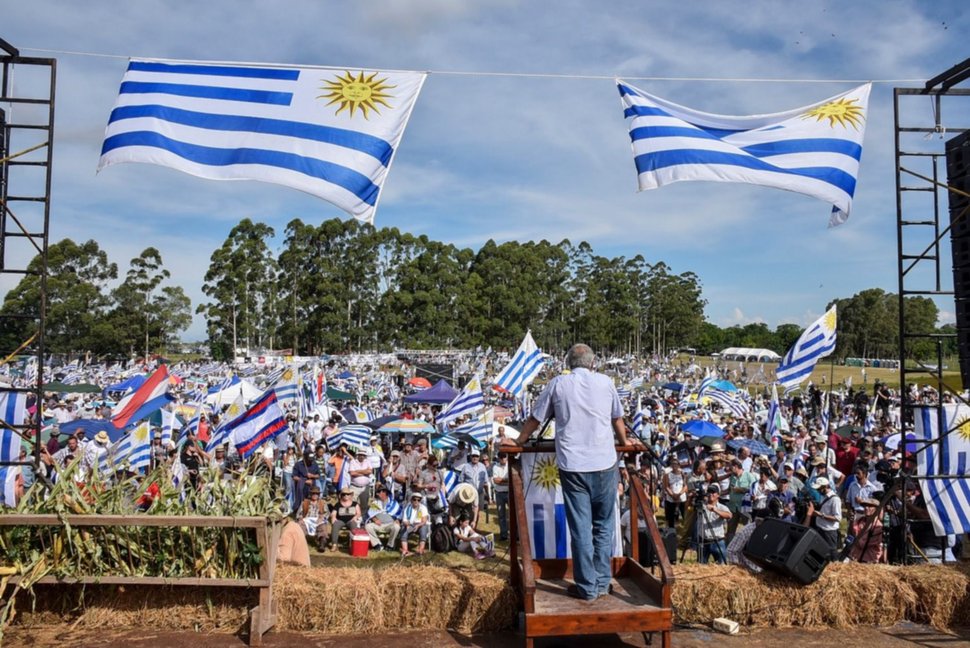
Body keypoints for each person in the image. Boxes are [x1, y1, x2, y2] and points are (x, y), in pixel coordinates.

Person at [503, 343, 641, 601]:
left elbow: (535, 418)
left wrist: (520, 441)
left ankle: (587, 587)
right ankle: (601, 583)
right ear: (592, 363)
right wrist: (624, 442)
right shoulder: (606, 382)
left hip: (574, 465)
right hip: (605, 462)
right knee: (602, 526)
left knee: (581, 529)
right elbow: (617, 420)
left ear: (568, 364)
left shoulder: (558, 384)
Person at [697, 484, 731, 564]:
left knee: (722, 565)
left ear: (718, 495)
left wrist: (715, 509)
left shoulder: (722, 507)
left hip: (718, 541)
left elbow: (729, 515)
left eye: (713, 492)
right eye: (709, 492)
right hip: (703, 540)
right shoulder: (702, 505)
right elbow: (688, 508)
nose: (711, 494)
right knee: (701, 566)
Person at [809, 476, 842, 556]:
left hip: (829, 532)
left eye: (819, 489)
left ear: (826, 486)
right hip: (820, 528)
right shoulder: (823, 497)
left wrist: (821, 515)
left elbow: (838, 518)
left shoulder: (835, 499)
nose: (818, 491)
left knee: (831, 552)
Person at [364, 485, 401, 552]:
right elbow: (370, 514)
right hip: (379, 524)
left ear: (385, 492)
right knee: (368, 526)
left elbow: (398, 514)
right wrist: (375, 519)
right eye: (378, 492)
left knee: (397, 527)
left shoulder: (393, 503)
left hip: (390, 524)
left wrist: (397, 520)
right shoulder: (376, 503)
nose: (378, 493)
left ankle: (390, 546)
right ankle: (378, 545)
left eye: (380, 491)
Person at [297, 486, 331, 551]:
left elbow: (327, 513)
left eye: (316, 494)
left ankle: (322, 544)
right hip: (307, 520)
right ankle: (299, 544)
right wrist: (300, 518)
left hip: (318, 519)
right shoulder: (305, 502)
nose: (315, 495)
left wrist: (322, 517)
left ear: (318, 495)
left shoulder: (322, 502)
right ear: (310, 494)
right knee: (300, 525)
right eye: (313, 493)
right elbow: (299, 513)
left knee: (323, 526)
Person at [661, 458, 687, 529]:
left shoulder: (682, 474)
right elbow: (666, 486)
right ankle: (671, 530)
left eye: (676, 464)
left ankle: (686, 528)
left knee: (684, 514)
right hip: (671, 497)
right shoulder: (667, 474)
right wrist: (673, 495)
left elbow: (685, 486)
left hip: (681, 497)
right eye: (672, 464)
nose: (674, 465)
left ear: (679, 465)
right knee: (671, 515)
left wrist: (679, 494)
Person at [491, 452, 510, 541]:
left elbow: (499, 480)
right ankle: (504, 534)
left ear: (506, 457)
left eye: (504, 457)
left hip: (509, 493)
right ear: (498, 458)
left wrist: (501, 480)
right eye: (501, 457)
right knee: (501, 515)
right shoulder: (495, 467)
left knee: (513, 515)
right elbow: (495, 481)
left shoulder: (510, 465)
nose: (503, 459)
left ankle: (516, 535)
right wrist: (507, 481)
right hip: (499, 493)